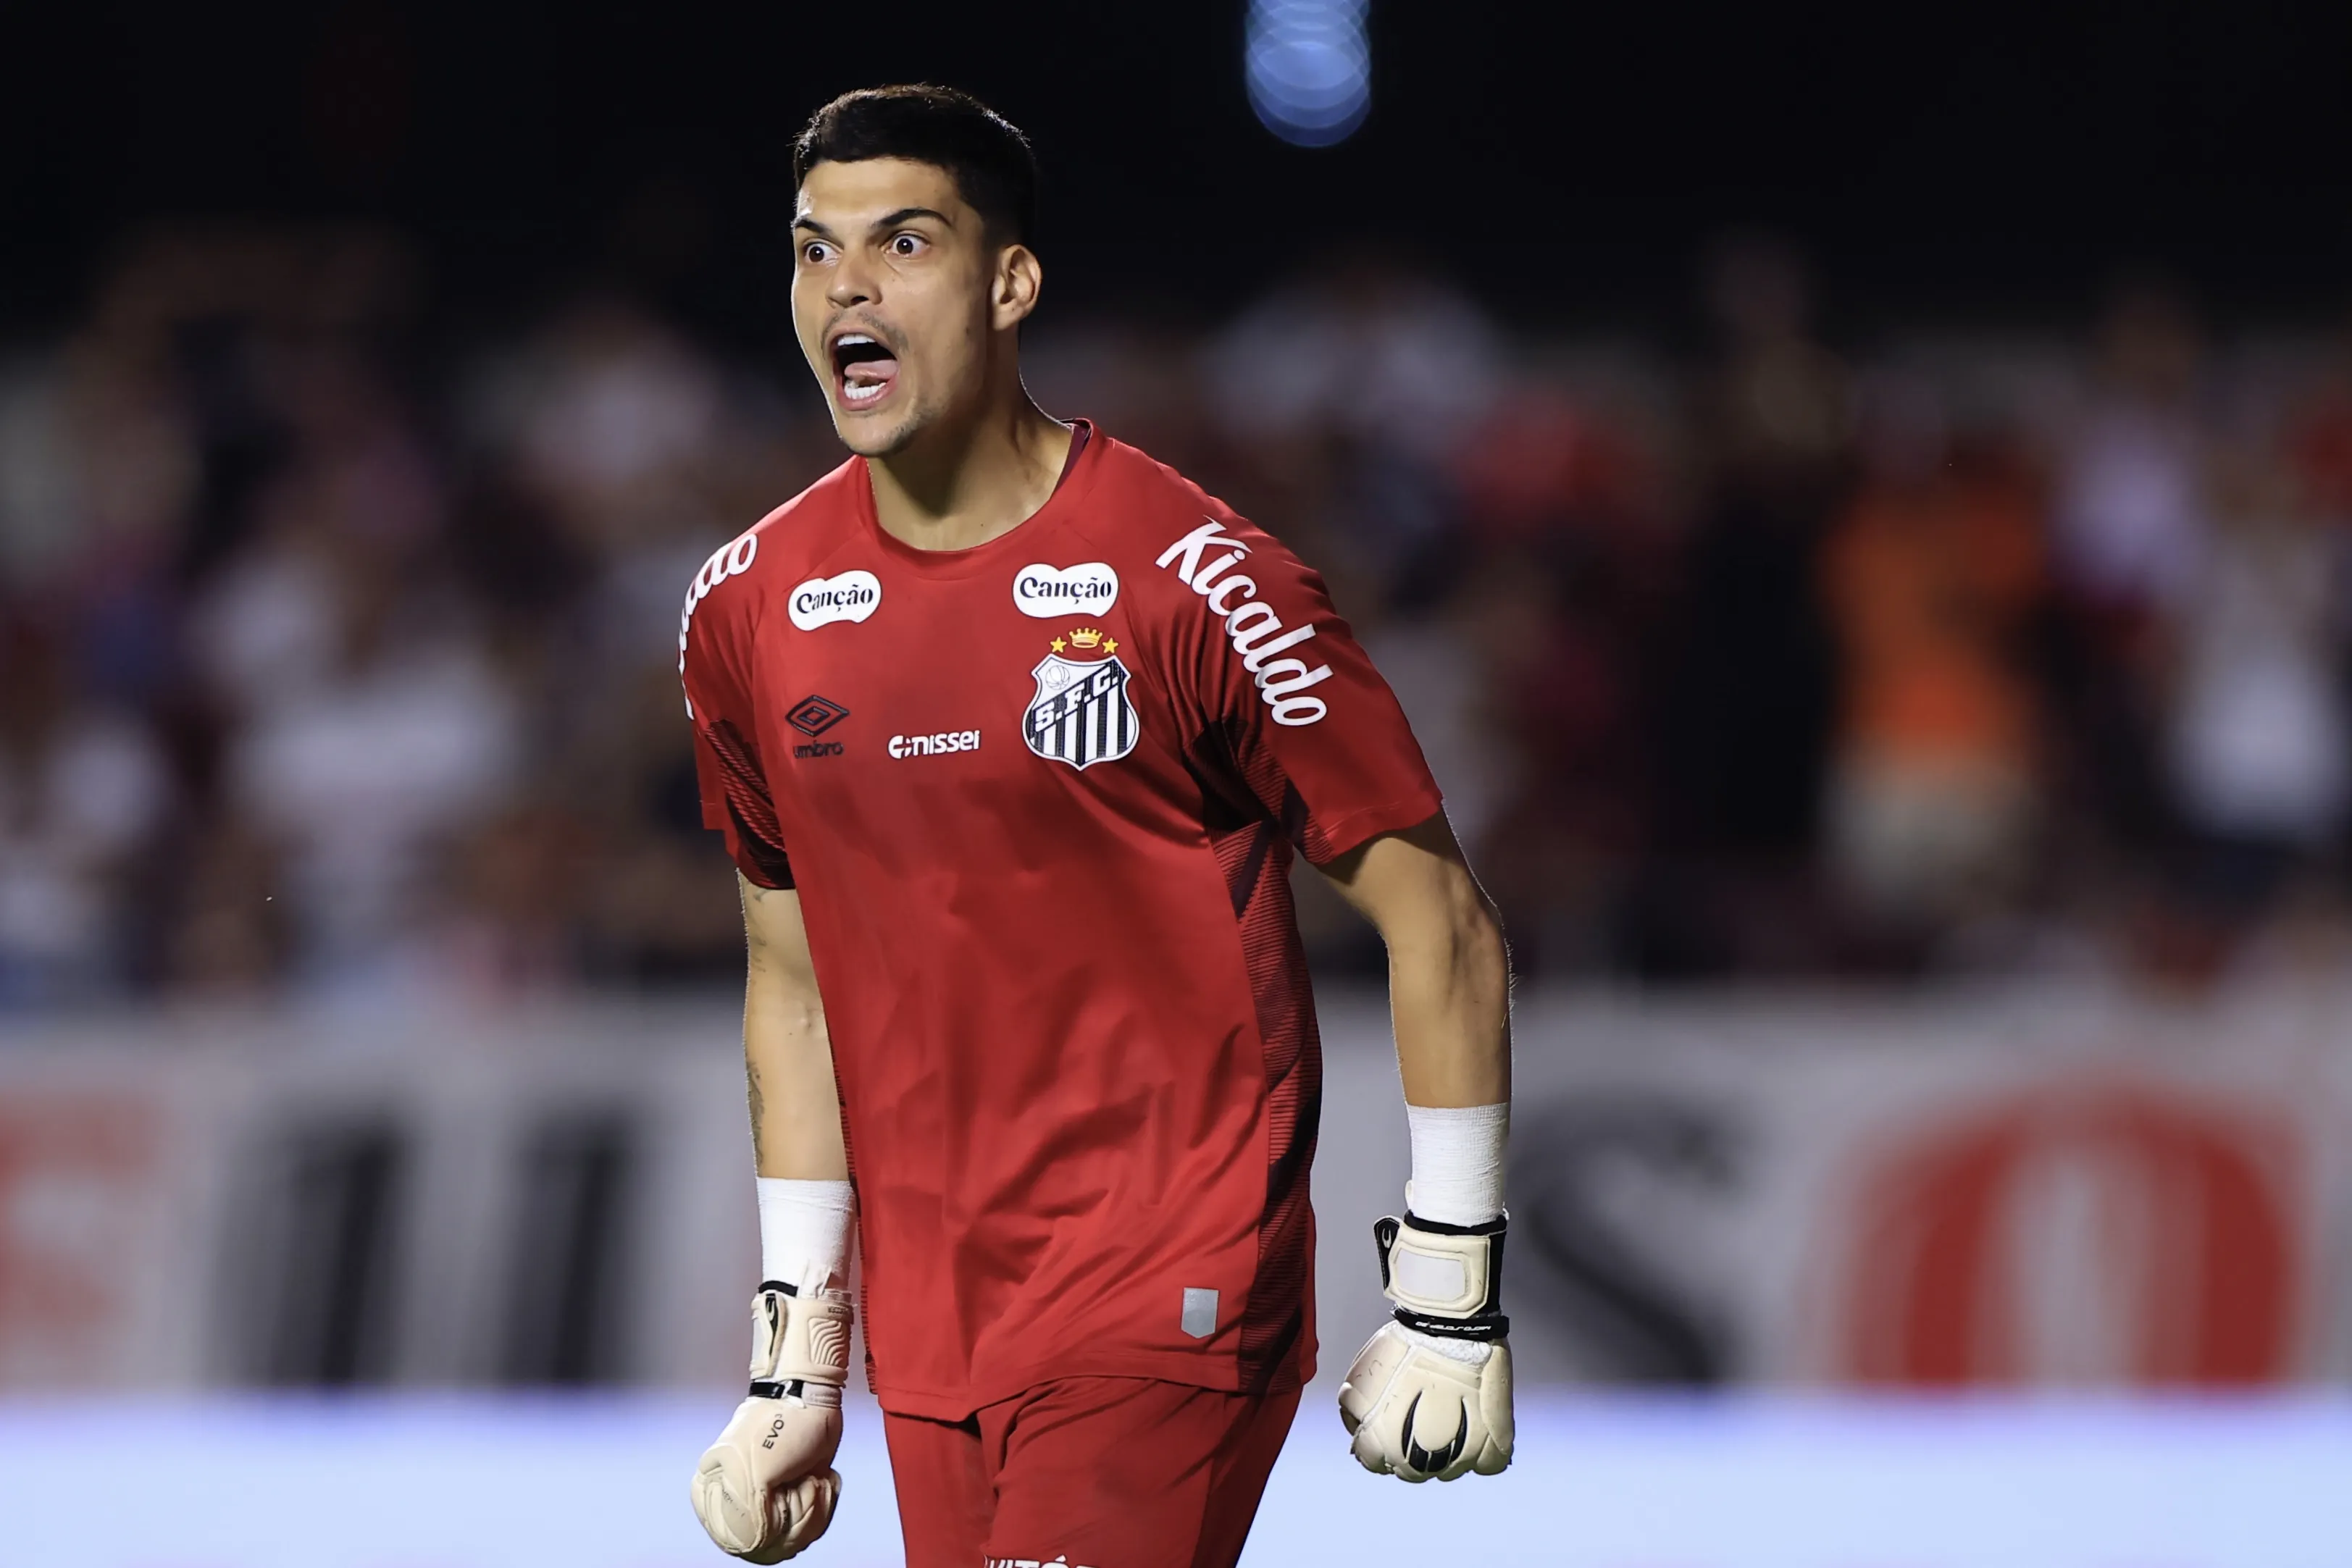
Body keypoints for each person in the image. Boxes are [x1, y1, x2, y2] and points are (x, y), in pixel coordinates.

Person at [679, 85, 1514, 1568]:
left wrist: (1451, 1287)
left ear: (1009, 283)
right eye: (815, 250)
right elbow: (790, 985)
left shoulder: (1199, 579)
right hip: (936, 1324)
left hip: (1168, 1281)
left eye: (903, 243)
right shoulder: (747, 609)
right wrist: (796, 1359)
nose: (847, 287)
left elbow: (1437, 916)